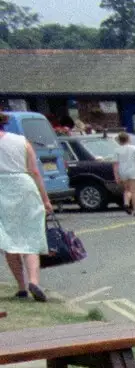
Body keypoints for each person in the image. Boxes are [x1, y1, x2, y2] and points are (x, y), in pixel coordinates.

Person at [0, 112, 53, 303]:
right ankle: (34, 281)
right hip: (23, 185)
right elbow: (35, 171)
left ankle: (22, 287)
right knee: (31, 236)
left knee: (8, 240)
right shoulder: (21, 141)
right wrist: (45, 200)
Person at [113, 131, 135, 216]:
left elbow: (115, 164)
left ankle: (126, 203)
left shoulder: (117, 150)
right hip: (133, 170)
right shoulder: (134, 148)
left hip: (123, 171)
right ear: (128, 139)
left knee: (127, 189)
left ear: (119, 140)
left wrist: (116, 176)